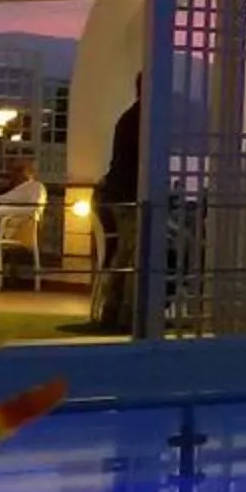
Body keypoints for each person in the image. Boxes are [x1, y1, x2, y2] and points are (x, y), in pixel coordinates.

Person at [97, 76, 141, 331]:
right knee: (131, 255)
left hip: (116, 194)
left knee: (124, 254)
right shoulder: (139, 120)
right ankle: (125, 314)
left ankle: (113, 311)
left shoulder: (129, 118)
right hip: (127, 196)